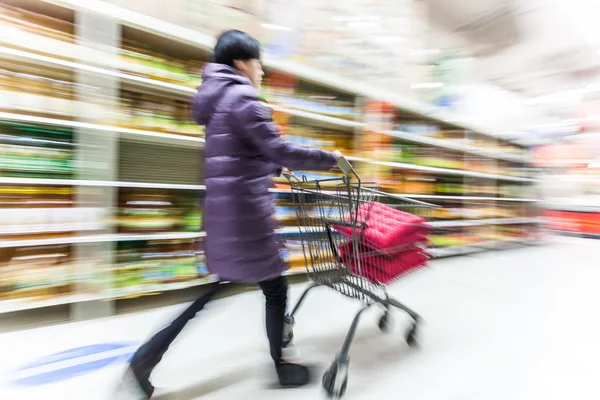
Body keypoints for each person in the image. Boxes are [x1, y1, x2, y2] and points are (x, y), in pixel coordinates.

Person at [120, 30, 339, 399]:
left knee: (216, 290)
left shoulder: (217, 99)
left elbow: (237, 155)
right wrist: (330, 159)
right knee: (275, 289)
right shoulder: (244, 98)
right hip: (248, 217)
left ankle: (144, 358)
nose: (262, 72)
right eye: (259, 63)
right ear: (241, 63)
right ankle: (282, 367)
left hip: (226, 215)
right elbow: (279, 149)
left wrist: (268, 169)